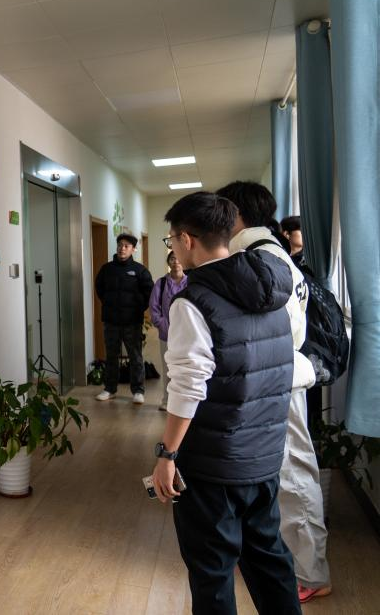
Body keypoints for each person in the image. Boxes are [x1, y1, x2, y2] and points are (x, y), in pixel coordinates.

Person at [151, 191, 302, 614]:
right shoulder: (272, 290)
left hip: (213, 465)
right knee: (269, 561)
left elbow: (187, 386)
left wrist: (167, 453)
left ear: (187, 239)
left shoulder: (193, 302)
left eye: (171, 239)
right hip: (263, 457)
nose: (174, 246)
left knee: (213, 572)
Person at [216, 182, 329, 604]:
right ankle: (293, 563)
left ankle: (311, 572)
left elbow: (272, 329)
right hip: (277, 379)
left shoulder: (261, 257)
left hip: (276, 381)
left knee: (293, 474)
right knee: (284, 473)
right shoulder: (270, 252)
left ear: (235, 214)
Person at [94, 232, 153, 404]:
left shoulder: (140, 270)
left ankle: (138, 391)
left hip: (132, 322)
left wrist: (138, 308)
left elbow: (149, 293)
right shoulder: (106, 269)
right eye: (120, 245)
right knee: (111, 356)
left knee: (135, 356)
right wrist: (109, 303)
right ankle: (110, 389)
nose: (122, 248)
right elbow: (99, 289)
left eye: (126, 246)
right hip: (111, 321)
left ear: (133, 249)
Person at [149, 250, 187, 412]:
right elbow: (154, 307)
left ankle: (183, 403)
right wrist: (162, 324)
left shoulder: (191, 282)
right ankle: (167, 400)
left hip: (187, 334)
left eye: (178, 258)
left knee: (185, 369)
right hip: (167, 333)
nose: (176, 261)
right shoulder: (161, 283)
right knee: (168, 369)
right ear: (168, 262)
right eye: (172, 259)